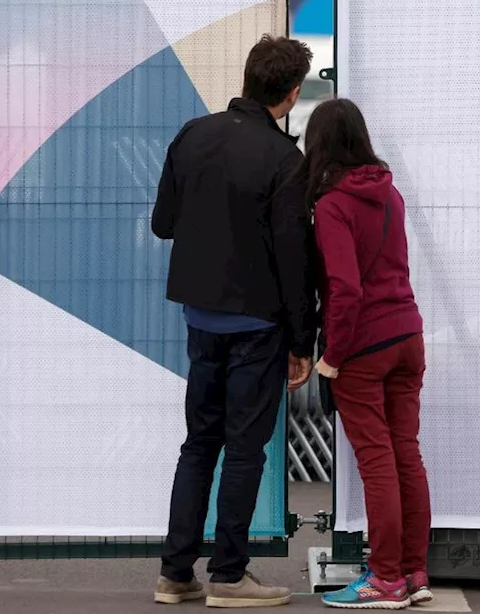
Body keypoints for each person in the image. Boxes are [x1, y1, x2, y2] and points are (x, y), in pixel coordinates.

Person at [151, 35, 318, 608]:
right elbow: (296, 261)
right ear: (292, 95)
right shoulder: (284, 160)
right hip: (257, 325)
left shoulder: (192, 135)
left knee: (199, 441)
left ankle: (175, 574)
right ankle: (228, 575)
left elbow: (163, 223)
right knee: (245, 449)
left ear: (247, 79)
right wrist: (304, 340)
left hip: (202, 318)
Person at [302, 99, 432, 609]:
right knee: (406, 455)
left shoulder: (332, 205)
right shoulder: (390, 193)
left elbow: (345, 288)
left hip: (363, 346)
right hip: (408, 334)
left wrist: (332, 356)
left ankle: (384, 579)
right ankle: (414, 573)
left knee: (377, 460)